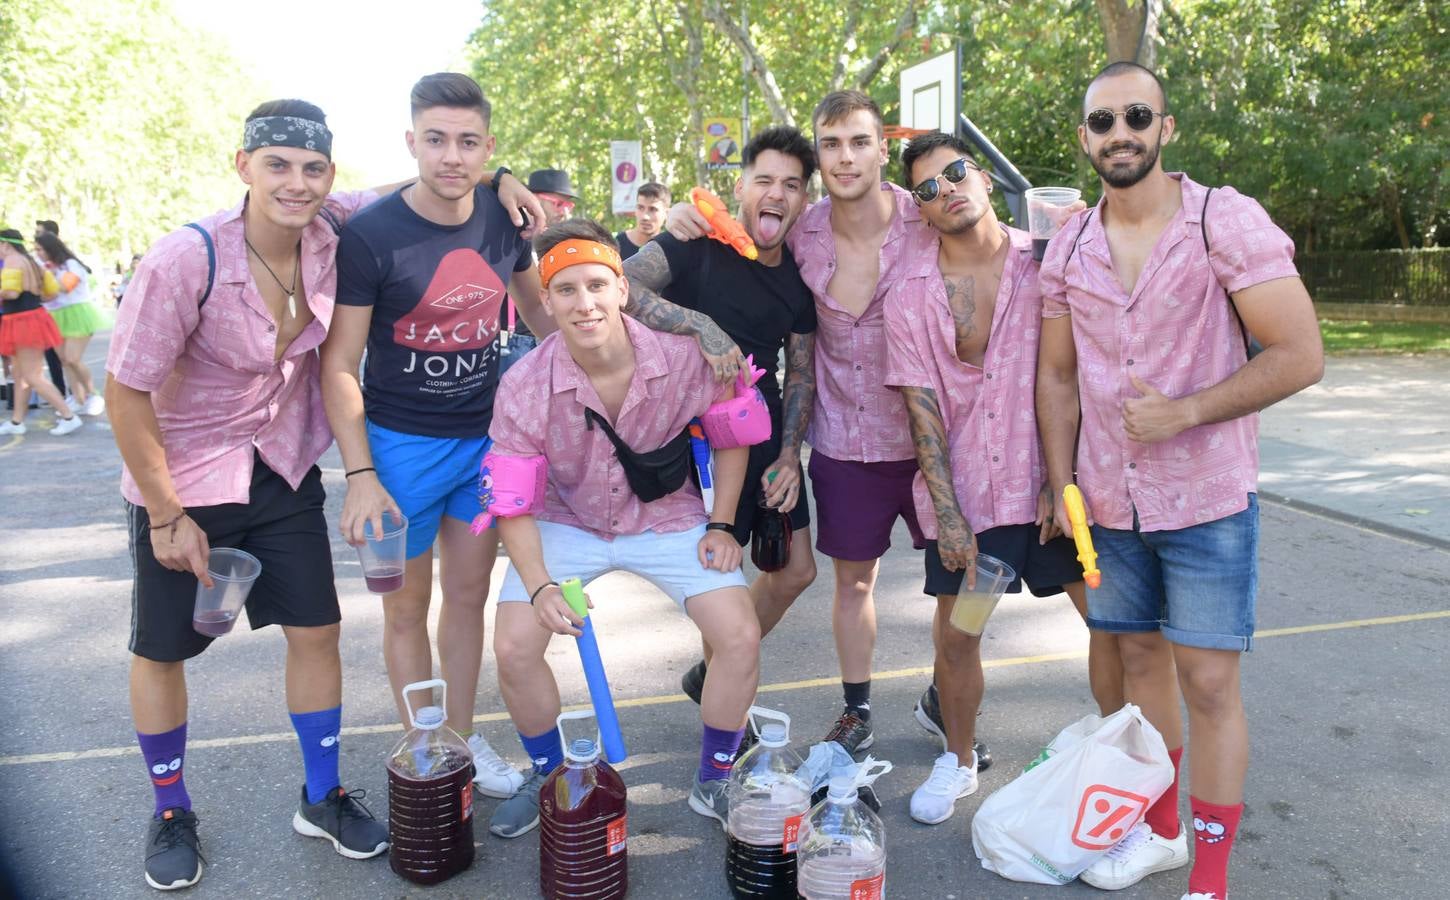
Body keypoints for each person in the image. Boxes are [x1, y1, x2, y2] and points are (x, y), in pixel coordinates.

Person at [1036, 62, 1323, 900]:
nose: (1118, 133)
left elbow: (1301, 354)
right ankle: (1159, 834)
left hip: (1204, 497)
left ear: (1165, 129)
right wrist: (1062, 483)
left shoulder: (1220, 220)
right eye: (1102, 121)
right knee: (1137, 662)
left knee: (1208, 681)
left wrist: (1188, 411)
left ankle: (1211, 875)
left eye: (1136, 116)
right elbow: (1056, 379)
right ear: (1085, 138)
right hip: (1108, 500)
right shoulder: (1071, 243)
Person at [104, 98, 394, 891]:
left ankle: (322, 794)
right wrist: (165, 515)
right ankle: (170, 808)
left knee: (317, 630)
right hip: (183, 477)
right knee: (164, 650)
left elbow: (426, 182)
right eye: (277, 165)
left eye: (311, 169)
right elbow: (125, 393)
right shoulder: (183, 260)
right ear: (243, 166)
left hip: (282, 465)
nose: (295, 184)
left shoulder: (336, 229)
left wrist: (499, 177)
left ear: (329, 176)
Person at [668, 91, 992, 767]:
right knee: (852, 584)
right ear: (820, 155)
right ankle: (857, 710)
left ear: (882, 148)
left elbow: (992, 250)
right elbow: (737, 239)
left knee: (956, 582)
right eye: (832, 144)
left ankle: (946, 698)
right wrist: (682, 218)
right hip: (847, 438)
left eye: (859, 142)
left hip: (939, 433)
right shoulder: (801, 231)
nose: (846, 157)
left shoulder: (923, 215)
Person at [483, 219, 761, 838]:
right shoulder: (523, 385)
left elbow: (733, 434)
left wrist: (722, 523)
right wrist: (538, 587)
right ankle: (550, 774)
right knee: (513, 646)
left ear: (622, 289)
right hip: (565, 518)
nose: (584, 304)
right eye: (566, 291)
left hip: (669, 516)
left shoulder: (688, 356)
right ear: (546, 302)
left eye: (597, 285)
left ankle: (716, 776)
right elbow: (511, 503)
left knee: (739, 635)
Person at [322, 72, 554, 801]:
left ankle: (456, 737)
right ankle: (425, 745)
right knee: (404, 608)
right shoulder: (371, 234)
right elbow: (338, 362)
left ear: (487, 146)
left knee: (466, 596)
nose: (451, 156)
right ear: (411, 142)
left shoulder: (498, 218)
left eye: (467, 142)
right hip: (398, 448)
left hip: (484, 442)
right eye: (435, 140)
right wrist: (361, 473)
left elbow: (541, 317)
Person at [886, 132, 1125, 825]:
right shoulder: (909, 295)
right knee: (959, 636)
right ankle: (957, 761)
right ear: (921, 213)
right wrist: (948, 513)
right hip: (973, 498)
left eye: (954, 173)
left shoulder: (1053, 256)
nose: (945, 190)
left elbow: (1091, 360)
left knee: (1111, 624)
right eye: (927, 189)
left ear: (984, 177)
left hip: (1058, 486)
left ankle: (1120, 755)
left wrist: (1065, 476)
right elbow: (920, 409)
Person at [621, 126, 818, 724]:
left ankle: (717, 675)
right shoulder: (696, 242)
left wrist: (790, 456)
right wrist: (697, 327)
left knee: (795, 570)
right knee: (722, 579)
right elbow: (616, 286)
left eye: (790, 185)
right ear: (741, 187)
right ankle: (726, 715)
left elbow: (801, 373)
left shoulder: (796, 279)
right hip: (698, 444)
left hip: (765, 435)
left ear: (803, 200)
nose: (776, 193)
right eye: (764, 180)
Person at [0, 229, 81, 436]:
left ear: (5, 244)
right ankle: (18, 422)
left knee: (32, 375)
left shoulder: (13, 261)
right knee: (20, 374)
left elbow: (11, 292)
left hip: (23, 321)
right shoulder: (32, 262)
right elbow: (51, 292)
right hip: (29, 317)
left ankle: (68, 416)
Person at [34, 231, 106, 416]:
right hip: (54, 316)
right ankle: (78, 398)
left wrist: (44, 279)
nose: (38, 253)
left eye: (40, 249)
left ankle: (93, 395)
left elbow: (65, 287)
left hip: (77, 314)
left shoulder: (71, 265)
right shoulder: (45, 266)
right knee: (65, 361)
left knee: (73, 358)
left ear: (51, 248)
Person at [616, 182, 671, 260]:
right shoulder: (617, 245)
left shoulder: (670, 249)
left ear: (666, 213)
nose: (645, 216)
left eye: (653, 209)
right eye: (640, 208)